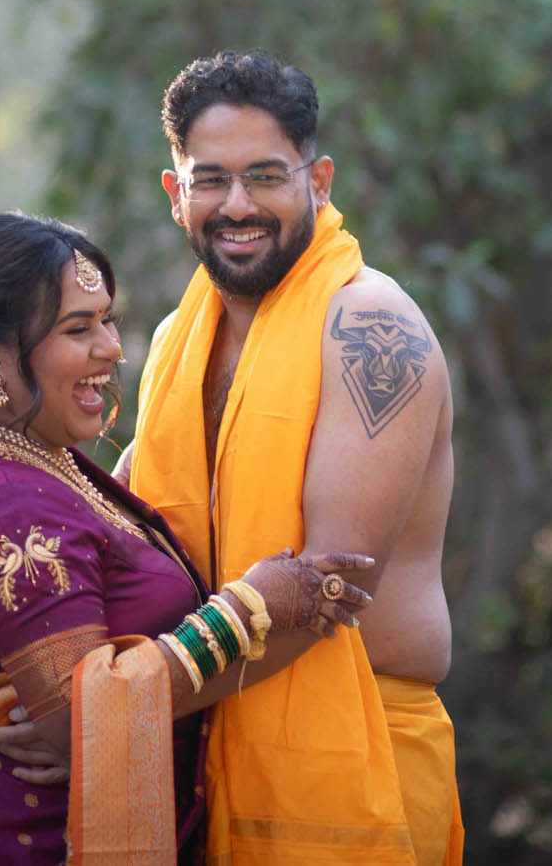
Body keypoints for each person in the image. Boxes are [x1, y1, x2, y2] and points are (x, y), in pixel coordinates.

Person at [0, 213, 375, 866]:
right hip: (32, 839)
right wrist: (249, 612)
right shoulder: (8, 504)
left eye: (107, 320)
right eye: (78, 329)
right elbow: (77, 721)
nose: (112, 348)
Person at [124, 50, 464, 866]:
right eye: (211, 180)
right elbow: (113, 518)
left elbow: (324, 587)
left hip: (358, 755)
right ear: (176, 194)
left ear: (319, 180)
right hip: (204, 744)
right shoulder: (176, 341)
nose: (237, 204)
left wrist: (119, 710)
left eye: (266, 176)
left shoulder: (373, 327)